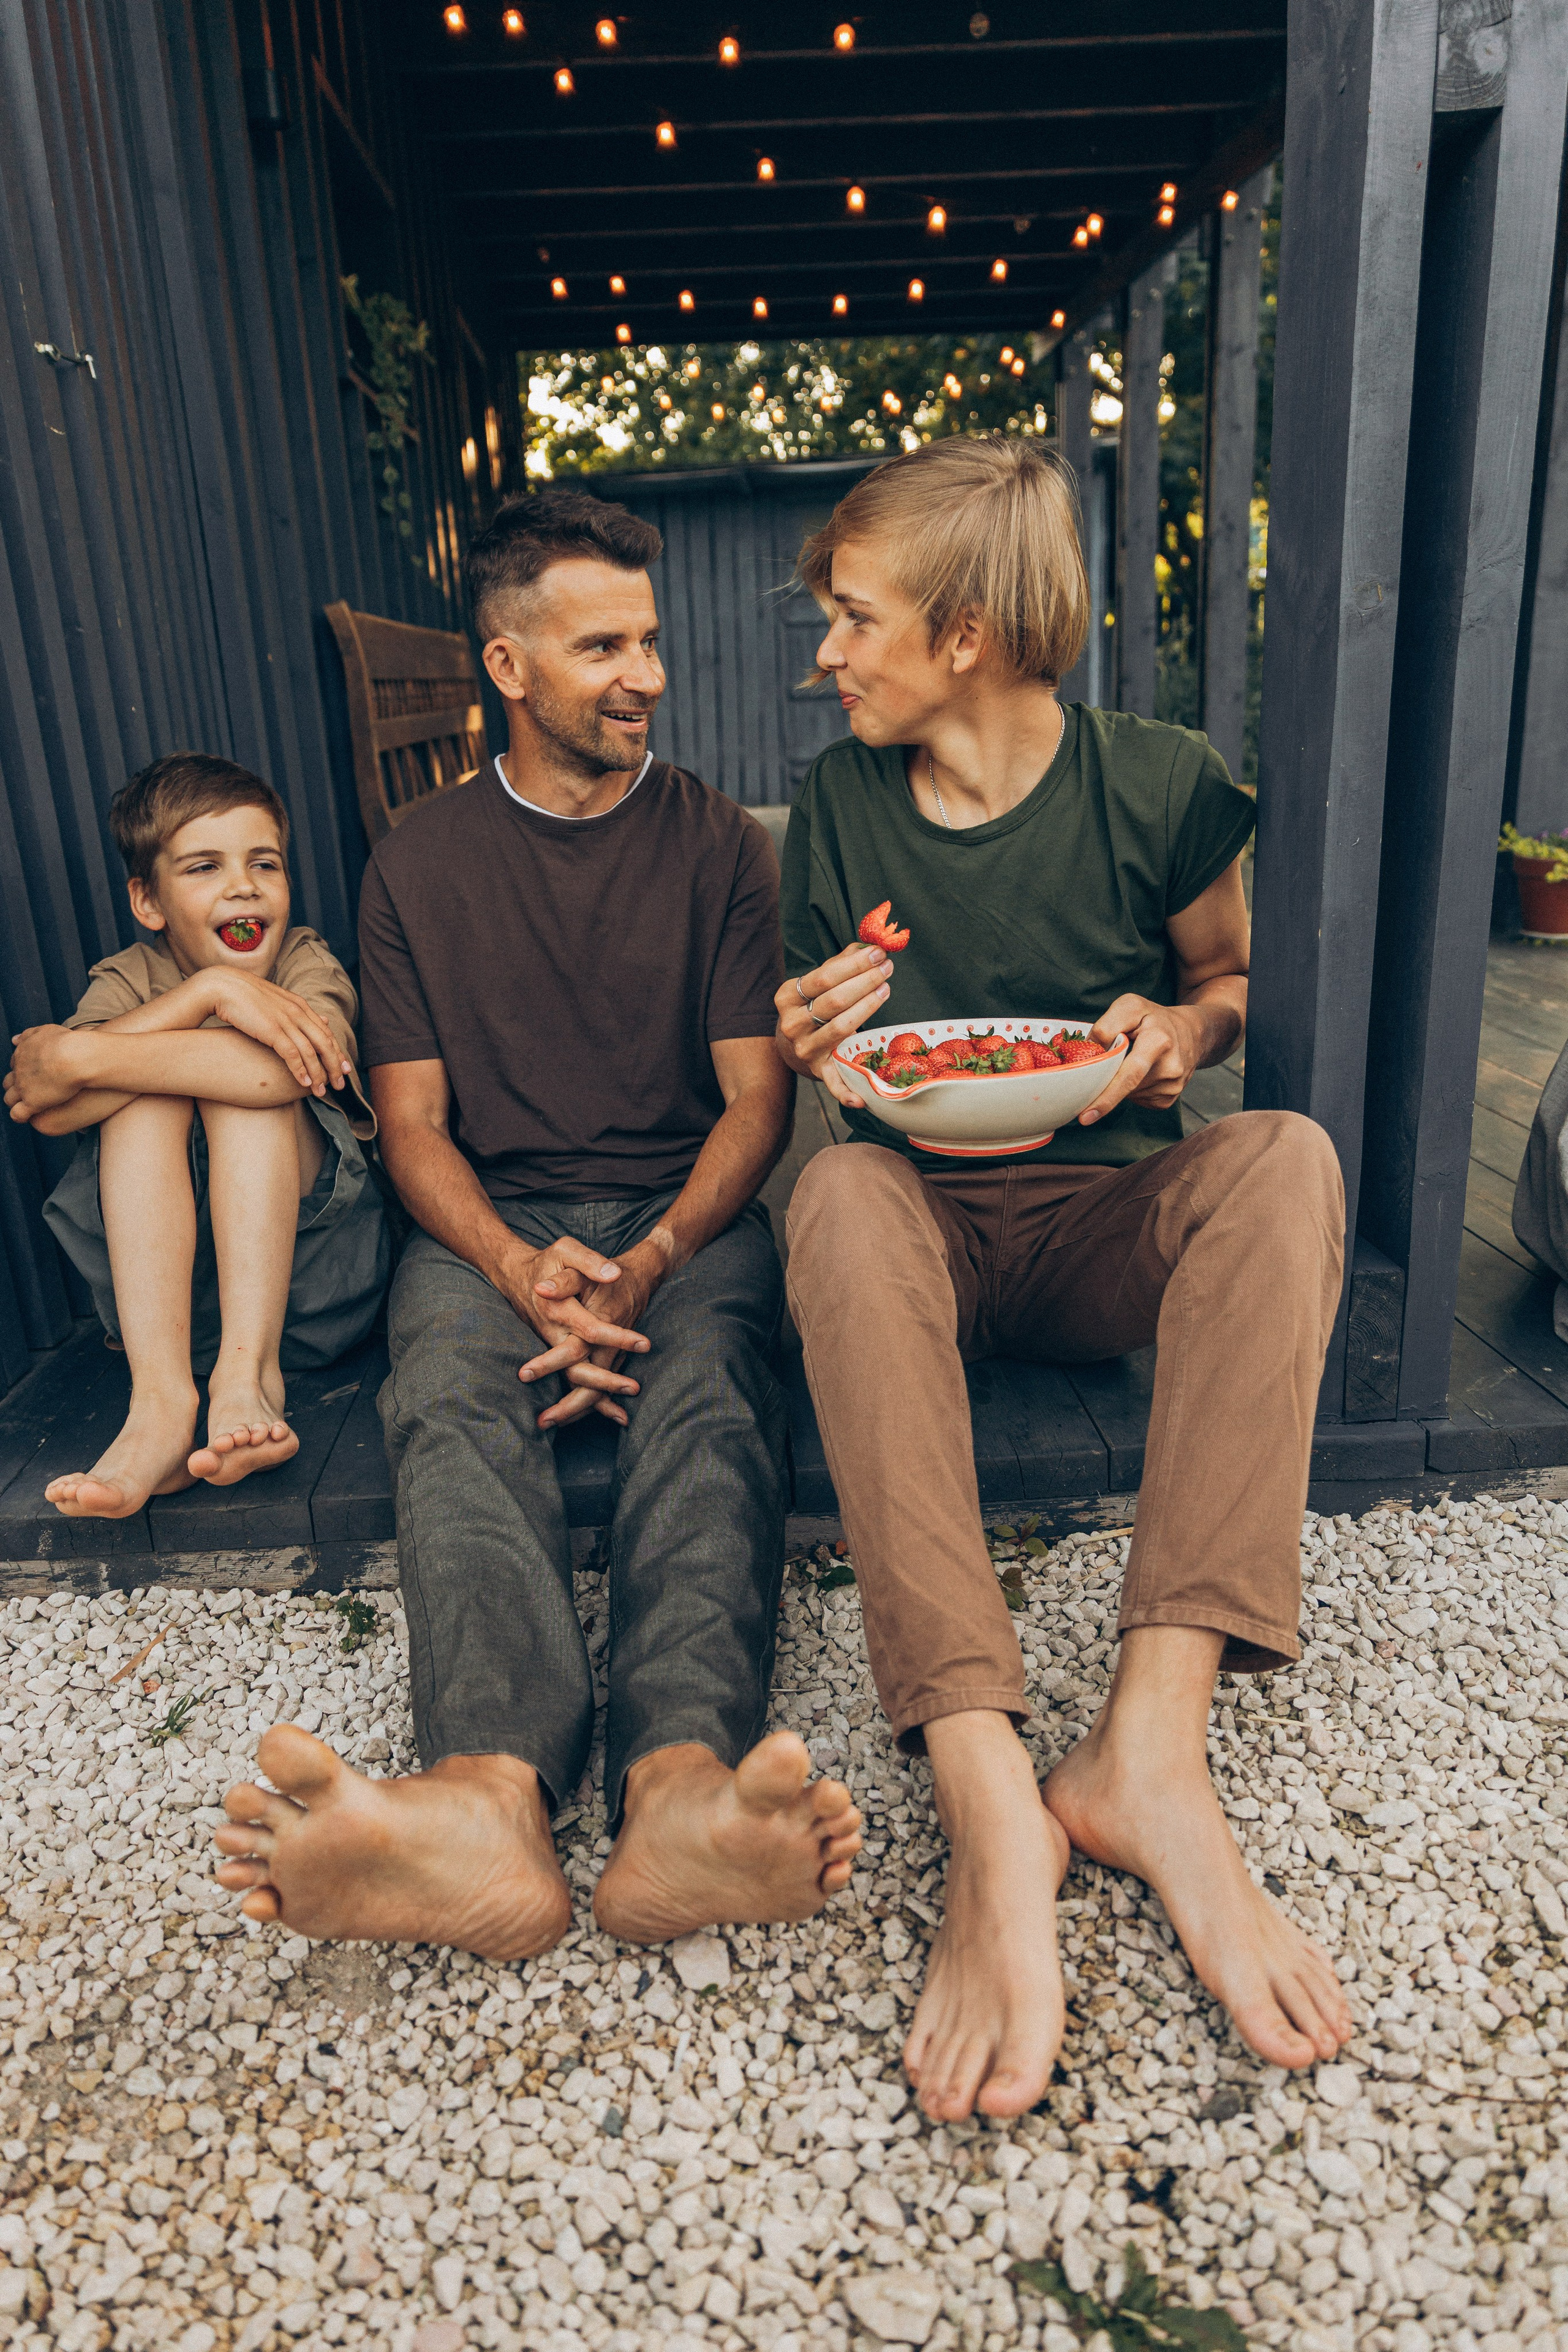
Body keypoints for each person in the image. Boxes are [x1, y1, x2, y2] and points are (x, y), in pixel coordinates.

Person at [774, 434, 1352, 2124]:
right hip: (923, 1233)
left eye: (851, 615)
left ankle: (1148, 1756)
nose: (824, 649)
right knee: (836, 1204)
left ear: (965, 632)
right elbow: (840, 1061)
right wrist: (824, 1042)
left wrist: (1185, 1031)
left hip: (1100, 1220)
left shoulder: (1158, 781)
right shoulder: (840, 803)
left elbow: (1224, 974)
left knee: (1289, 1159)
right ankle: (984, 1795)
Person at [214, 488, 862, 1959]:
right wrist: (516, 1265)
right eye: (601, 646)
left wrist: (642, 1263)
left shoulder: (714, 847)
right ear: (506, 669)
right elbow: (415, 1128)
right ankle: (485, 1802)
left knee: (708, 1392)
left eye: (646, 639)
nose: (644, 672)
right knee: (445, 1389)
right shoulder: (419, 864)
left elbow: (752, 1107)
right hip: (485, 1221)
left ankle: (680, 1790)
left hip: (678, 1217)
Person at [3, 755, 387, 1516]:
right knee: (145, 1099)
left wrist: (80, 1053)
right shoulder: (127, 977)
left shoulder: (307, 963)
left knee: (238, 1083)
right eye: (205, 866)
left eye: (264, 864)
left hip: (312, 1301)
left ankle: (250, 1380)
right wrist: (211, 991)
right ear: (148, 901)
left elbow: (285, 1077)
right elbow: (48, 1112)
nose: (243, 886)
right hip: (171, 1327)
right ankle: (161, 1408)